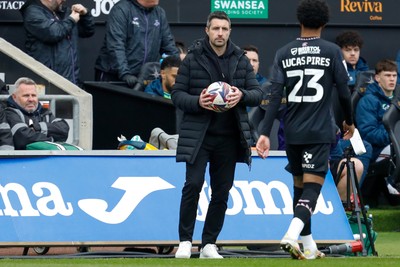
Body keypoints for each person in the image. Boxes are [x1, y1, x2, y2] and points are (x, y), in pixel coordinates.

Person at [256, 0, 355, 260]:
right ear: (324, 23)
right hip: (319, 130)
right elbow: (344, 93)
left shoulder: (284, 52)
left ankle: (309, 245)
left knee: (299, 187)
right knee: (313, 189)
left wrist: (265, 132)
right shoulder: (333, 51)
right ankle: (291, 234)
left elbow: (275, 95)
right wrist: (349, 120)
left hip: (293, 131)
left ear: (300, 21)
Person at [171, 11, 262, 259]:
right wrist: (199, 101)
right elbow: (177, 95)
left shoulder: (240, 59)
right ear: (207, 30)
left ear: (229, 31)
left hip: (229, 138)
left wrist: (241, 95)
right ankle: (185, 241)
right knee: (193, 185)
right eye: (216, 29)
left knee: (222, 191)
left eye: (224, 29)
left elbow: (257, 93)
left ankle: (209, 244)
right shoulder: (192, 59)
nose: (220, 33)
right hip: (199, 136)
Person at [94, 0, 180, 88]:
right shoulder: (121, 10)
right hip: (114, 76)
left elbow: (169, 47)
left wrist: (182, 69)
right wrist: (124, 73)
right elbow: (116, 45)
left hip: (143, 78)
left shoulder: (159, 13)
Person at [20, 0, 95, 86]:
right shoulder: (33, 12)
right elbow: (53, 34)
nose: (64, 0)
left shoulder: (65, 12)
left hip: (72, 80)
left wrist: (85, 14)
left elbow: (88, 31)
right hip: (48, 82)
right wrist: (71, 20)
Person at [356, 59, 400, 194]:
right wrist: (394, 137)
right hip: (377, 150)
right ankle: (392, 182)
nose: (392, 79)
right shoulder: (368, 101)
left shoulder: (398, 98)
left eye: (394, 75)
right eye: (387, 75)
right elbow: (368, 133)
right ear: (377, 78)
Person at [5, 77, 70, 150]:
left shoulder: (44, 112)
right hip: (21, 160)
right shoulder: (9, 113)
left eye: (33, 95)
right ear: (14, 97)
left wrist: (37, 127)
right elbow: (24, 138)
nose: (31, 99)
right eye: (26, 95)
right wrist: (51, 140)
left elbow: (63, 130)